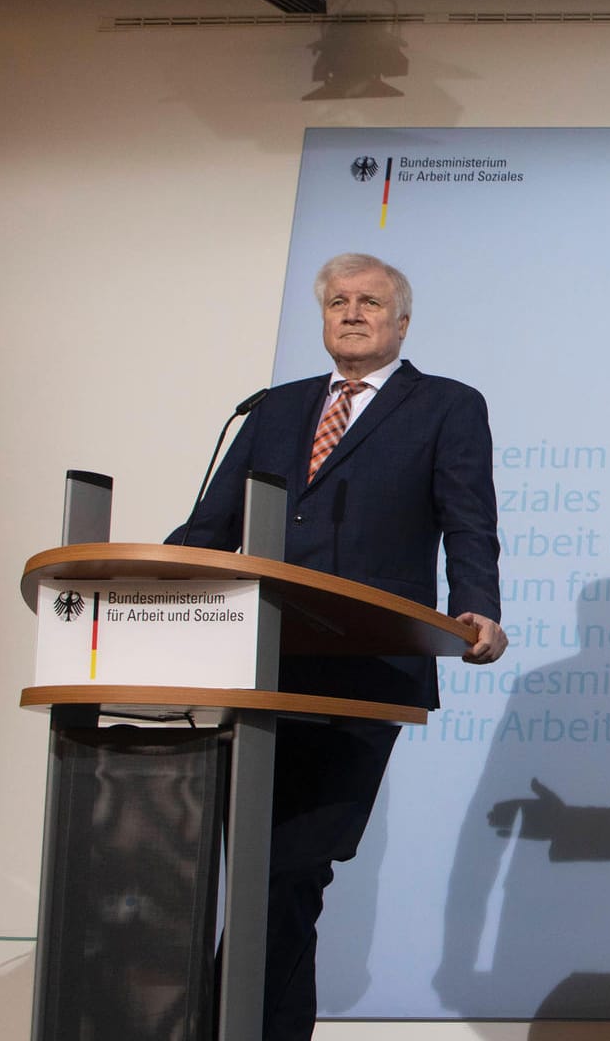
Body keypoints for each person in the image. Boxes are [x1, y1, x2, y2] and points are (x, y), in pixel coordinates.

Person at [171, 252, 506, 1041]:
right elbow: (210, 526)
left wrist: (478, 608)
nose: (352, 313)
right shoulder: (276, 408)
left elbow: (469, 518)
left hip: (364, 667)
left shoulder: (446, 406)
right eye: (338, 302)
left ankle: (231, 1025)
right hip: (257, 668)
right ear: (323, 317)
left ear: (401, 321)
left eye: (370, 302)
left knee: (291, 866)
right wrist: (151, 593)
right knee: (261, 870)